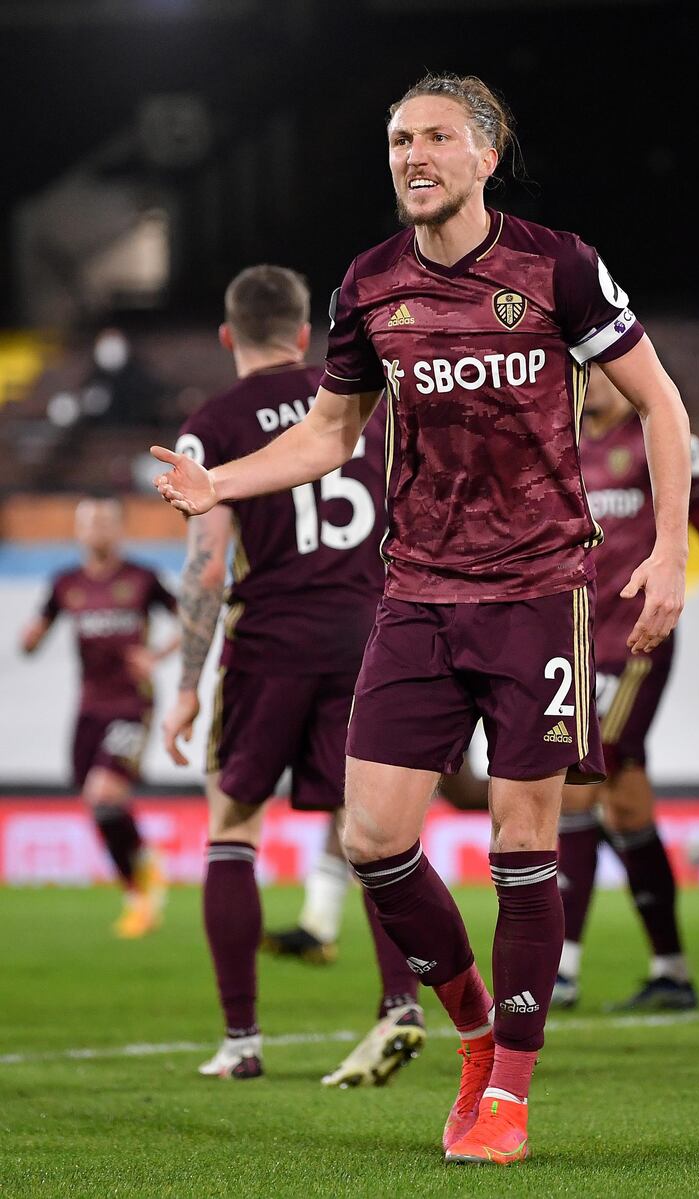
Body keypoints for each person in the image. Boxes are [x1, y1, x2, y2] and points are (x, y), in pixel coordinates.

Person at [152, 73, 692, 1166]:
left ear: (485, 154)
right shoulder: (369, 283)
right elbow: (327, 434)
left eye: (437, 137)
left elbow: (660, 401)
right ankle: (475, 1033)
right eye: (400, 139)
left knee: (520, 840)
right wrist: (223, 487)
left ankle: (509, 1100)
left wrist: (672, 552)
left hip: (539, 592)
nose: (413, 155)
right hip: (415, 597)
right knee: (372, 837)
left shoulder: (557, 264)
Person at [161, 264, 425, 1085]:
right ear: (306, 333)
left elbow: (207, 568)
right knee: (377, 832)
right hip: (366, 636)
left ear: (227, 336)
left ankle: (241, 1041)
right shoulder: (355, 402)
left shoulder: (215, 422)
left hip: (270, 643)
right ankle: (400, 1006)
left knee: (234, 824)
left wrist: (186, 683)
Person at [554, 370, 699, 1010]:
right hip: (572, 642)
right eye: (580, 375)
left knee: (578, 779)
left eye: (601, 375)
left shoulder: (665, 438)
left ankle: (561, 969)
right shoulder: (557, 441)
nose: (591, 388)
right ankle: (671, 971)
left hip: (637, 642)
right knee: (627, 805)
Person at [20, 496, 177, 937]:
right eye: (90, 523)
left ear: (119, 528)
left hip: (132, 704)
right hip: (88, 708)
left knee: (102, 792)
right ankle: (140, 874)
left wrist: (156, 656)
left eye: (106, 522)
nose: (98, 530)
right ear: (79, 531)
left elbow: (190, 620)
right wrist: (28, 640)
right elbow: (35, 637)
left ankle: (140, 888)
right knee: (99, 804)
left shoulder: (142, 578)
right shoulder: (65, 582)